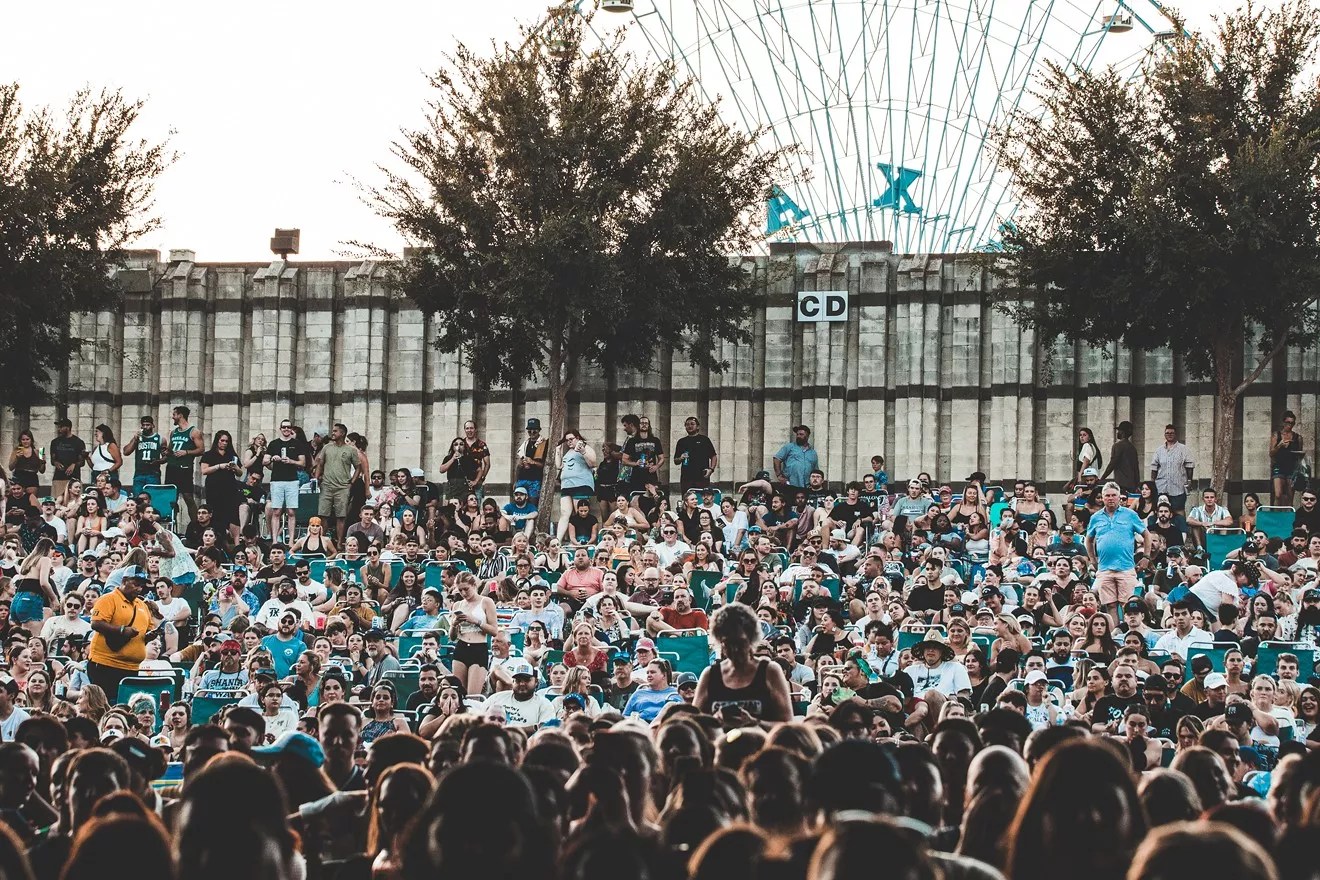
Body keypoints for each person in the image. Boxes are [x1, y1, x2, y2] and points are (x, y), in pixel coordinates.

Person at [695, 603, 792, 723]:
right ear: (720, 642)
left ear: (752, 639)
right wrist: (715, 721)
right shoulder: (710, 675)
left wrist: (754, 722)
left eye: (739, 642)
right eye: (728, 643)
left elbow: (787, 724)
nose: (735, 649)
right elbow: (696, 725)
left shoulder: (770, 671)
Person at [86, 565, 162, 699]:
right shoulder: (108, 599)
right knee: (105, 704)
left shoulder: (142, 605)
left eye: (141, 586)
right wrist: (121, 630)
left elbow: (147, 629)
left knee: (125, 706)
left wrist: (150, 635)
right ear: (124, 581)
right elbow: (96, 623)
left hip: (132, 668)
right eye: (135, 584)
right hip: (106, 665)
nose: (139, 589)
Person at [1086, 481, 1150, 616]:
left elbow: (1146, 535)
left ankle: (1128, 635)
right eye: (1107, 495)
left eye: (1114, 495)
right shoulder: (1095, 518)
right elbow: (1089, 539)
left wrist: (1146, 557)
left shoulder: (1130, 514)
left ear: (1119, 497)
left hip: (1126, 567)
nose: (1110, 498)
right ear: (1102, 498)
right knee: (1109, 606)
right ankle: (1115, 635)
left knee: (1128, 606)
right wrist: (1092, 559)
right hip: (1104, 569)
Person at [313, 423, 359, 546]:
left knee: (341, 516)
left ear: (342, 433)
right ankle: (322, 541)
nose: (333, 433)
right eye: (332, 431)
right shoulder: (327, 447)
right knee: (323, 514)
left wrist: (351, 482)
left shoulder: (350, 450)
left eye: (335, 431)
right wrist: (316, 479)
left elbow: (358, 467)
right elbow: (320, 464)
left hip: (343, 487)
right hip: (326, 486)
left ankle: (339, 542)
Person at [264, 418, 308, 544]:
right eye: (284, 427)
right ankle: (274, 540)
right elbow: (264, 461)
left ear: (291, 428)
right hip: (277, 480)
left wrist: (291, 461)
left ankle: (291, 541)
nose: (286, 429)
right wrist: (273, 458)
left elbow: (303, 463)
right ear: (280, 429)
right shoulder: (273, 444)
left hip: (292, 480)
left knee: (291, 511)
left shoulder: (297, 444)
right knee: (276, 511)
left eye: (288, 427)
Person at [164, 406, 205, 526]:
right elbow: (171, 450)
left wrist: (187, 452)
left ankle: (197, 526)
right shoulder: (173, 432)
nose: (173, 417)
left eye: (174, 414)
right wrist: (167, 453)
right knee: (171, 498)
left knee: (188, 497)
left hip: (185, 468)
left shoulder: (193, 431)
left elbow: (201, 450)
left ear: (180, 415)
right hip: (172, 468)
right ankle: (171, 525)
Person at [555, 430, 598, 542]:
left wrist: (583, 451)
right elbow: (559, 466)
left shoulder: (585, 447)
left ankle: (581, 540)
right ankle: (557, 540)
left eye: (571, 439)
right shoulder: (568, 452)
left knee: (580, 513)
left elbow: (593, 462)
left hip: (581, 484)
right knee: (565, 513)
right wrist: (558, 451)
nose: (569, 442)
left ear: (577, 438)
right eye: (567, 440)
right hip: (566, 486)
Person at [1150, 424, 1195, 514]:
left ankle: (1181, 528)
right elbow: (1154, 467)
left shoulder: (1184, 449)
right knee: (1161, 512)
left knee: (1179, 512)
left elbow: (1189, 465)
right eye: (1167, 433)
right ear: (1164, 435)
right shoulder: (1159, 450)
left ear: (1175, 434)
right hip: (1161, 487)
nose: (1169, 435)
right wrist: (1152, 483)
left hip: (1178, 488)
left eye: (1172, 433)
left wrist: (1189, 480)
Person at [121, 415, 165, 498]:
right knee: (137, 498)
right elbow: (126, 452)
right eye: (143, 425)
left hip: (153, 473)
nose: (145, 427)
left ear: (153, 425)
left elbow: (165, 457)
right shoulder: (138, 438)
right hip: (139, 473)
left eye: (148, 425)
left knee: (153, 498)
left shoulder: (160, 439)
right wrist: (134, 439)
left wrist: (157, 461)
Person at [1270, 409, 1306, 507]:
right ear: (1283, 422)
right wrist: (1279, 445)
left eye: (1292, 423)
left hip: (1292, 468)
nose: (1290, 425)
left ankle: (1289, 519)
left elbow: (1299, 455)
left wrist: (1301, 456)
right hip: (1279, 466)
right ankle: (1276, 518)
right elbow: (1271, 453)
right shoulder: (1276, 435)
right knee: (1278, 495)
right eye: (1288, 422)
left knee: (1290, 496)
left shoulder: (1298, 437)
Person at [674, 416, 718, 492]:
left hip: (702, 477)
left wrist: (711, 470)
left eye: (692, 424)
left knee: (702, 500)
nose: (689, 426)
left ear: (697, 426)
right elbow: (676, 461)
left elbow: (713, 456)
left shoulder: (704, 440)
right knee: (687, 500)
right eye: (687, 424)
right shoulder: (681, 441)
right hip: (686, 478)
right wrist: (680, 458)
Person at [48, 419, 86, 501]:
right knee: (57, 501)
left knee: (74, 501)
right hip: (58, 477)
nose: (59, 430)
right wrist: (56, 463)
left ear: (68, 428)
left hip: (74, 478)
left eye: (61, 427)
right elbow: (52, 460)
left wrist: (74, 464)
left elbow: (82, 462)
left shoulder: (78, 442)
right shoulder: (55, 442)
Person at [773, 424, 818, 491]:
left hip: (807, 486)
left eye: (801, 434)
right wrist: (779, 476)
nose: (798, 436)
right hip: (790, 484)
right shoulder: (789, 447)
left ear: (807, 436)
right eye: (797, 434)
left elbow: (816, 470)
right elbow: (777, 459)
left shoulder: (813, 453)